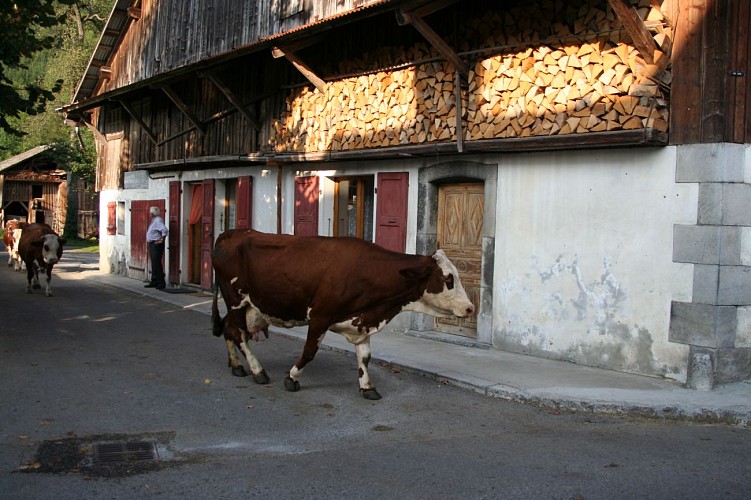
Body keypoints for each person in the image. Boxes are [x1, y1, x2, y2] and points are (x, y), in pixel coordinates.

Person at [145, 206, 168, 289]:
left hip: (156, 244)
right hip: (153, 243)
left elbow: (164, 230)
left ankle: (161, 283)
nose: (149, 214)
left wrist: (162, 239)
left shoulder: (157, 220)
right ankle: (154, 280)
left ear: (152, 214)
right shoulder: (154, 220)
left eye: (150, 213)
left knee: (157, 263)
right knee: (154, 263)